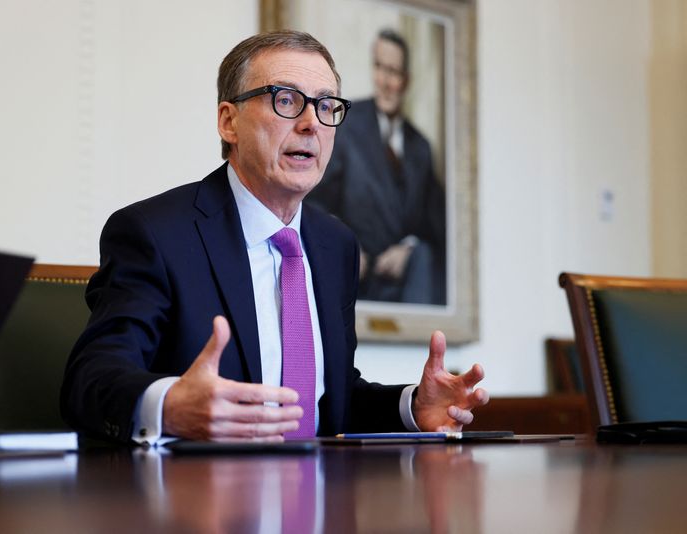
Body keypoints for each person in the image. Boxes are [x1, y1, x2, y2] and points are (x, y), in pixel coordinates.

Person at [60, 30, 487, 444]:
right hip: (198, 505)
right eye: (286, 100)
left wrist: (411, 407)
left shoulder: (334, 244)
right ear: (229, 121)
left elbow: (327, 404)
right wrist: (168, 405)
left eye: (325, 106)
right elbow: (91, 377)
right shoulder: (155, 234)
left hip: (322, 506)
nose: (310, 124)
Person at [307, 29, 446, 304]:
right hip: (354, 282)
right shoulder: (346, 125)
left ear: (405, 81)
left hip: (406, 288)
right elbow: (312, 200)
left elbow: (437, 226)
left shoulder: (421, 147)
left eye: (393, 71)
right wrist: (344, 242)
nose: (384, 81)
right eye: (379, 67)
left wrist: (410, 248)